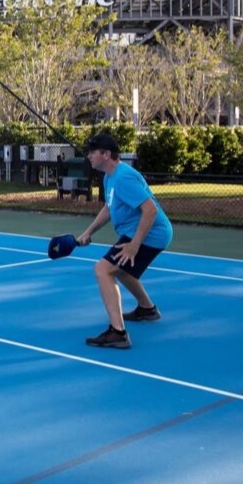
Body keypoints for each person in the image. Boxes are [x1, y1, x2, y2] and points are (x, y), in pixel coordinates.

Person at [76, 133, 173, 349]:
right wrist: (89, 232)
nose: (88, 156)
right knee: (122, 270)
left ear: (106, 154)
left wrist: (134, 245)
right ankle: (147, 309)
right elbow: (109, 208)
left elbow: (150, 210)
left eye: (92, 152)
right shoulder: (109, 177)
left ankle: (118, 333)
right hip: (138, 231)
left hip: (152, 234)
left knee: (103, 269)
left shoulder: (122, 177)